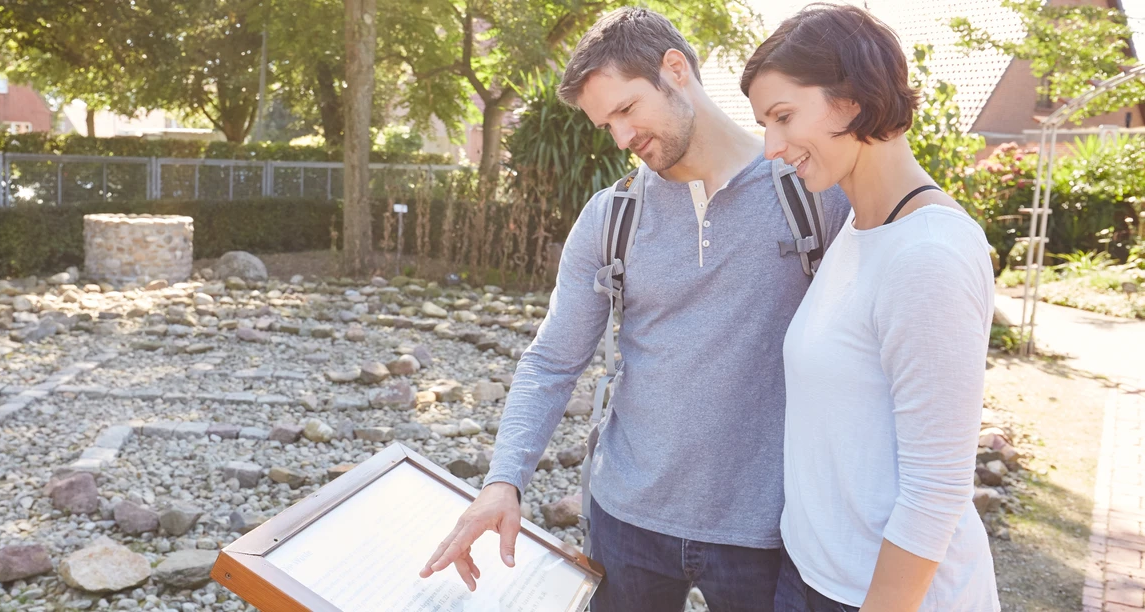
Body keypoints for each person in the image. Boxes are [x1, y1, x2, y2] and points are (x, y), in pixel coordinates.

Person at [418, 7, 850, 610]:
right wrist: (503, 479)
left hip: (768, 528)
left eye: (626, 110)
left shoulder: (811, 194)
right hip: (626, 524)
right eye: (607, 125)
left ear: (675, 69)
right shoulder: (610, 216)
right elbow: (551, 361)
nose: (621, 139)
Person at [741, 5, 1000, 611]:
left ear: (852, 99)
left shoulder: (928, 254)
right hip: (812, 576)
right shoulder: (860, 228)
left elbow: (935, 491)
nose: (771, 148)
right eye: (764, 125)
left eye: (784, 117)